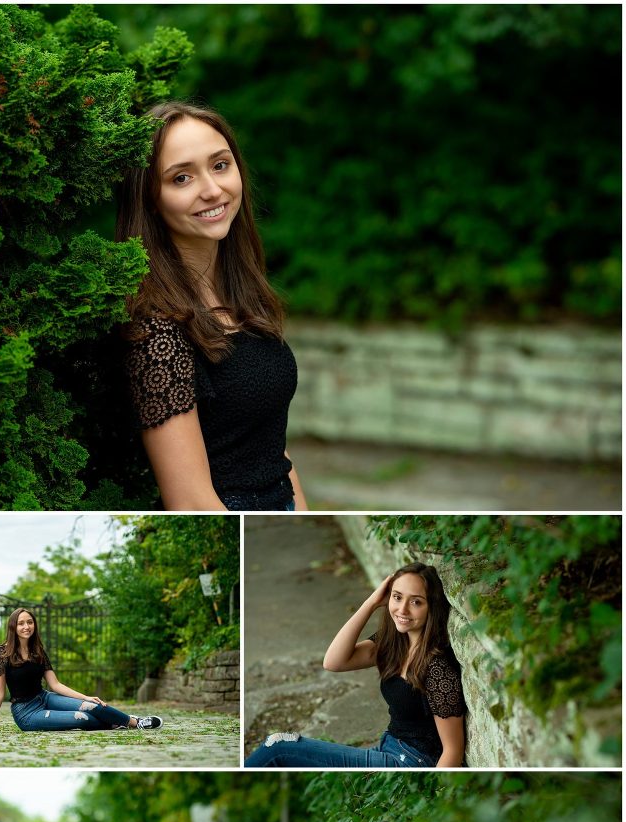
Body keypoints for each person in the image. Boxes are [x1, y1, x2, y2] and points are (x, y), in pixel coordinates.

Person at [117, 101, 308, 513]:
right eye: (181, 177)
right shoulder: (157, 333)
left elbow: (272, 445)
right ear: (150, 199)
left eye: (220, 165)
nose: (211, 189)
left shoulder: (244, 297)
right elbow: (190, 502)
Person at [245, 563, 466, 768]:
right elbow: (334, 661)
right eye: (397, 597)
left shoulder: (438, 668)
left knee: (279, 748)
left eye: (416, 602)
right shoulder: (395, 643)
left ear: (432, 607)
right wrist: (370, 603)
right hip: (387, 748)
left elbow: (453, 750)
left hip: (411, 762)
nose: (403, 610)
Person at [0, 608, 162, 734]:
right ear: (13, 627)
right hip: (26, 712)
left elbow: (55, 685)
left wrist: (85, 697)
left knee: (91, 706)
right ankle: (119, 722)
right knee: (81, 718)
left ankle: (134, 721)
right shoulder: (2, 653)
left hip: (44, 697)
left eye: (30, 622)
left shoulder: (38, 650)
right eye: (21, 623)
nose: (27, 626)